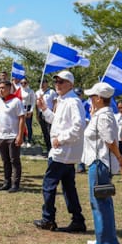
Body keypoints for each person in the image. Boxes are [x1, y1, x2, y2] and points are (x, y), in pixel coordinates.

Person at [34, 70, 87, 233]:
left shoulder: (72, 102)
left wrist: (61, 139)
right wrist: (44, 109)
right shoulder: (63, 100)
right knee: (69, 187)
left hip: (63, 151)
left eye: (61, 82)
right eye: (56, 81)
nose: (57, 84)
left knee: (48, 185)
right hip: (64, 152)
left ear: (70, 84)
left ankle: (48, 218)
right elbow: (56, 121)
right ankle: (77, 219)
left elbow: (79, 126)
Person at [83, 82, 122, 244]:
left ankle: (105, 243)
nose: (89, 99)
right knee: (102, 201)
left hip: (100, 162)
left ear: (98, 98)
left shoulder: (103, 117)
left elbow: (109, 140)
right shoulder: (101, 115)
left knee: (99, 201)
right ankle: (105, 238)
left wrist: (119, 157)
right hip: (99, 161)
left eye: (91, 96)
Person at [0, 79, 25, 192]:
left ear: (9, 88)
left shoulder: (16, 101)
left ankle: (15, 184)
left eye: (3, 88)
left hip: (13, 135)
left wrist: (20, 135)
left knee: (14, 160)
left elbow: (22, 118)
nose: (1, 90)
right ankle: (7, 182)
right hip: (1, 136)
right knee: (5, 160)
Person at [36, 79, 56, 153]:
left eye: (43, 82)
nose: (42, 84)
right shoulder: (37, 92)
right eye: (40, 83)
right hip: (41, 113)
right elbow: (36, 105)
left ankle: (53, 148)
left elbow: (55, 103)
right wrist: (37, 114)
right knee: (44, 132)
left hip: (50, 112)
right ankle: (48, 148)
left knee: (50, 131)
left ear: (47, 83)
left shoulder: (52, 92)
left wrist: (54, 112)